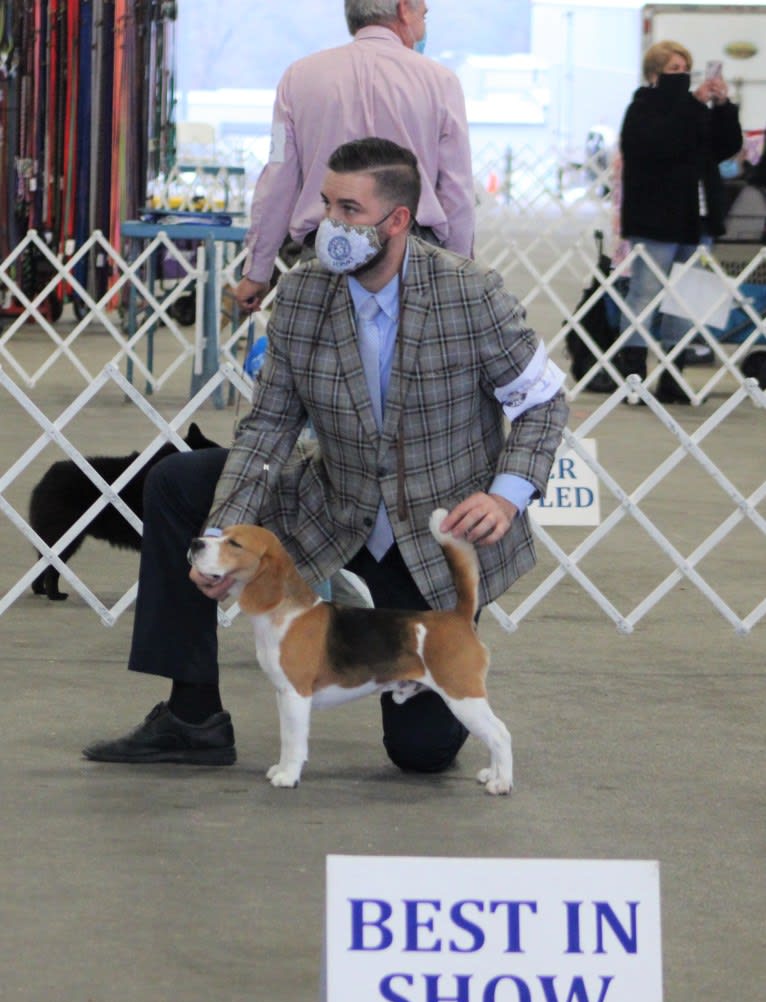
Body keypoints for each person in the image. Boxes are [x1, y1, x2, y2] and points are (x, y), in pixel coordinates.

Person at [83, 138, 567, 775]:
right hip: (331, 505)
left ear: (396, 221)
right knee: (176, 480)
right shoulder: (305, 295)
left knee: (421, 754)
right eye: (325, 206)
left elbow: (544, 403)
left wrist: (506, 494)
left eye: (348, 210)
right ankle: (192, 714)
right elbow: (267, 429)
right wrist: (221, 534)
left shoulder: (470, 294)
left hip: (432, 533)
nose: (328, 226)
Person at [234, 0, 475, 315]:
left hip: (324, 250)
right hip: (411, 253)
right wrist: (460, 273)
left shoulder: (296, 78)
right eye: (423, 15)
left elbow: (277, 178)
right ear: (403, 9)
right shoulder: (442, 82)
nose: (424, 26)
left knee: (323, 360)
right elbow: (457, 188)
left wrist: (258, 269)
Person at [617, 40, 742, 403]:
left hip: (698, 218)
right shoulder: (642, 109)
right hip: (656, 218)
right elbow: (661, 143)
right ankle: (633, 375)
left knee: (689, 298)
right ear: (655, 74)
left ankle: (674, 375)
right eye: (674, 70)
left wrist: (722, 107)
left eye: (686, 69)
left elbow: (724, 146)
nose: (683, 77)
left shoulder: (695, 109)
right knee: (645, 294)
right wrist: (692, 103)